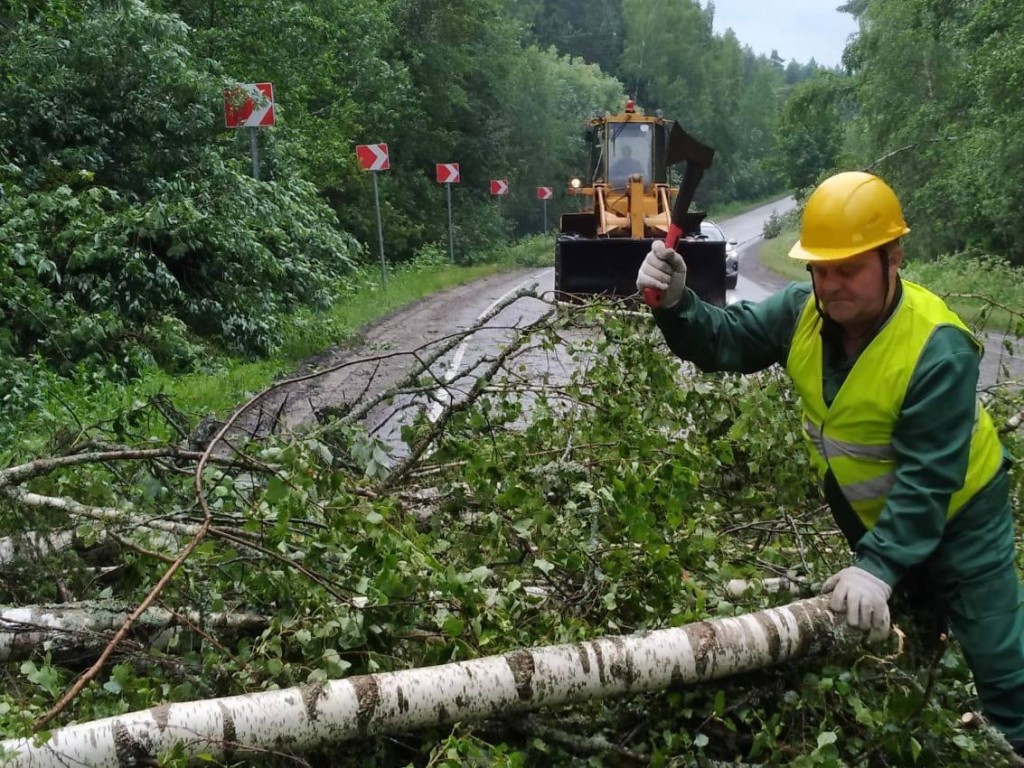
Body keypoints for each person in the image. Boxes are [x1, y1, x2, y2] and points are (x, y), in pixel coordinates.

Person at [636, 170, 1024, 752]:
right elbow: (725, 341)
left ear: (893, 258)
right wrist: (676, 304)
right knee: (915, 641)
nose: (832, 286)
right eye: (821, 270)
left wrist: (876, 566)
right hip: (876, 521)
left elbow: (927, 482)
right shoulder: (803, 314)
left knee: (1002, 667)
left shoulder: (935, 348)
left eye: (849, 270)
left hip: (964, 519)